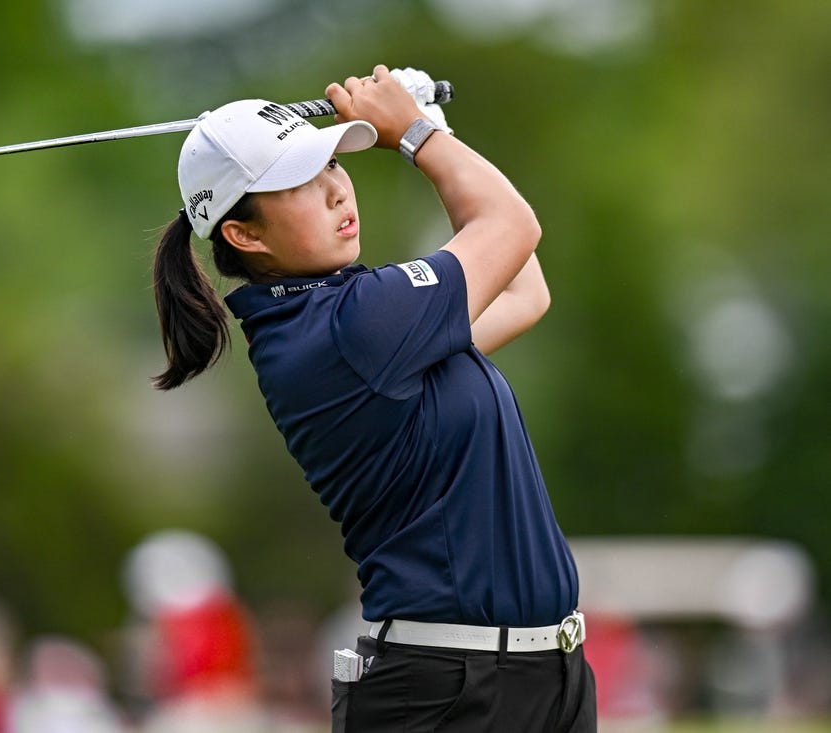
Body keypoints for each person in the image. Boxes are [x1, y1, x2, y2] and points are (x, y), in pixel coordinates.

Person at [150, 64, 597, 732]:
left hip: (539, 680)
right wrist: (415, 135)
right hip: (449, 693)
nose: (335, 188)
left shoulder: (346, 319)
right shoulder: (350, 327)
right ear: (245, 234)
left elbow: (523, 292)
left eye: (331, 162)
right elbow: (512, 225)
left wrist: (434, 128)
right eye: (299, 181)